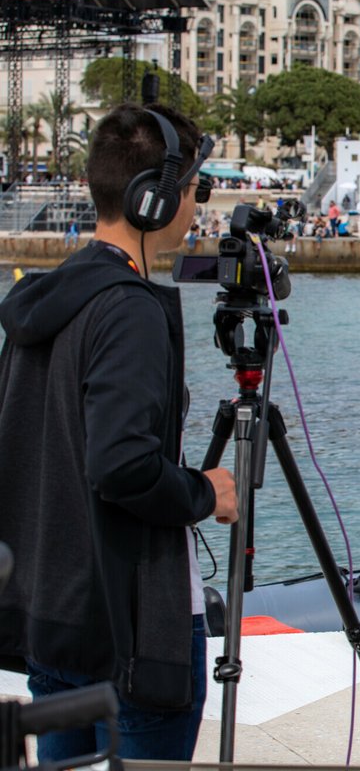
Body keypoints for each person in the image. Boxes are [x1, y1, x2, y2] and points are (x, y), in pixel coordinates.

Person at [0, 104, 239, 762]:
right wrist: (203, 492)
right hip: (133, 629)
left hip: (54, 614)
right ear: (156, 198)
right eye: (193, 187)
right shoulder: (128, 310)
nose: (196, 202)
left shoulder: (47, 298)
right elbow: (120, 464)